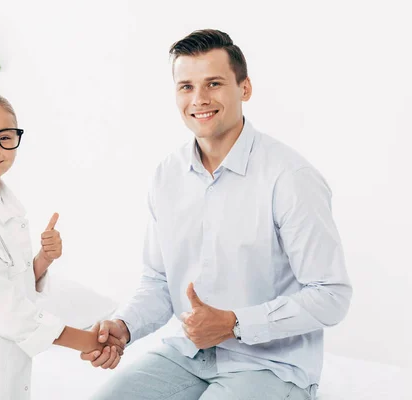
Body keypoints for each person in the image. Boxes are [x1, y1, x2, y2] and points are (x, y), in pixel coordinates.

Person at [82, 29, 352, 400]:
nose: (199, 99)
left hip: (270, 364)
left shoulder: (290, 178)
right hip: (188, 355)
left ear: (245, 88)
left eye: (213, 83)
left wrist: (235, 324)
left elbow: (331, 295)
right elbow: (159, 282)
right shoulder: (166, 175)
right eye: (186, 86)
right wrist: (124, 325)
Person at [0, 90, 122, 399]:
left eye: (4, 137)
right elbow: (4, 308)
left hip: (4, 368)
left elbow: (12, 282)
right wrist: (89, 342)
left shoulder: (1, 200)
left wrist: (44, 258)